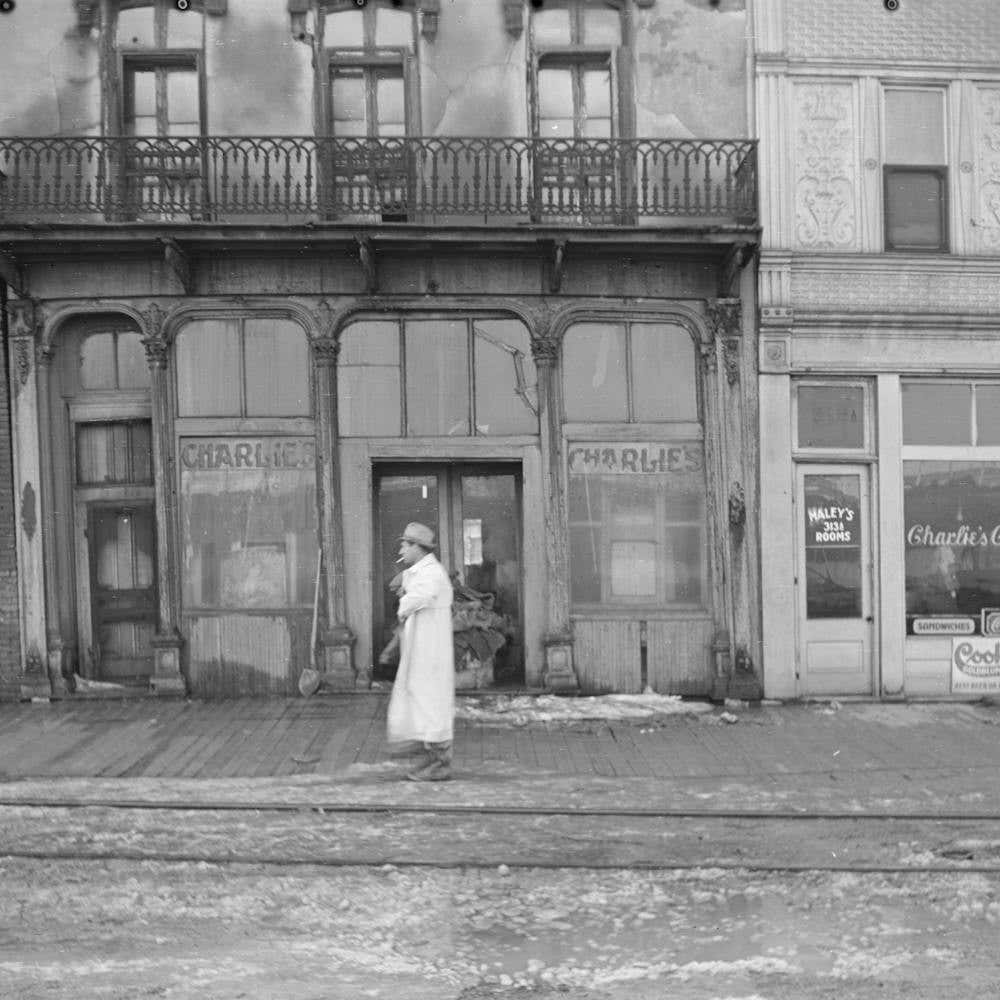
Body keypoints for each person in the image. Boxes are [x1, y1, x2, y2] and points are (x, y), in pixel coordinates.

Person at [385, 522, 455, 782]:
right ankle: (428, 759)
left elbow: (417, 598)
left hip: (431, 654)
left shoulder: (432, 573)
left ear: (418, 547)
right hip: (422, 651)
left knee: (431, 703)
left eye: (406, 544)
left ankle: (439, 764)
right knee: (422, 701)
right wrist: (405, 579)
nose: (402, 548)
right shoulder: (421, 571)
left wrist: (404, 591)